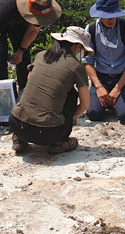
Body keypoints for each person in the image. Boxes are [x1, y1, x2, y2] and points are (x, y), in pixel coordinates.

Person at [8, 26, 93, 155]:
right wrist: (70, 118)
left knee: (29, 88)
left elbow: (29, 79)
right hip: (48, 134)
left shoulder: (41, 55)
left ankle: (19, 139)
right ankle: (60, 142)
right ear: (78, 47)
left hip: (16, 123)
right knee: (71, 94)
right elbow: (85, 104)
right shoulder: (76, 66)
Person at [0, 0, 61, 93]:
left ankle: (24, 92)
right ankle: (4, 92)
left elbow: (33, 31)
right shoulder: (6, 8)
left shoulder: (41, 4)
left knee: (23, 55)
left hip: (19, 17)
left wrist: (21, 50)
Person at [83, 0, 125, 124]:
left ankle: (119, 100)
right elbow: (88, 62)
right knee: (93, 114)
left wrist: (118, 88)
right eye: (106, 16)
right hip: (102, 77)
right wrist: (98, 87)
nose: (110, 20)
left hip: (124, 76)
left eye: (113, 15)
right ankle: (107, 100)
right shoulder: (91, 30)